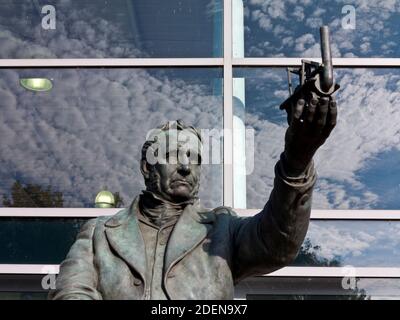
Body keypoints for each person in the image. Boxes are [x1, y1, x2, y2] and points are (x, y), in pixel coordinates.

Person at [50, 96, 337, 300]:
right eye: (174, 155)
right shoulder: (99, 234)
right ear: (147, 166)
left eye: (194, 158)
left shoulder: (223, 230)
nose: (186, 166)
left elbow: (278, 243)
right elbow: (71, 292)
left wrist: (297, 162)